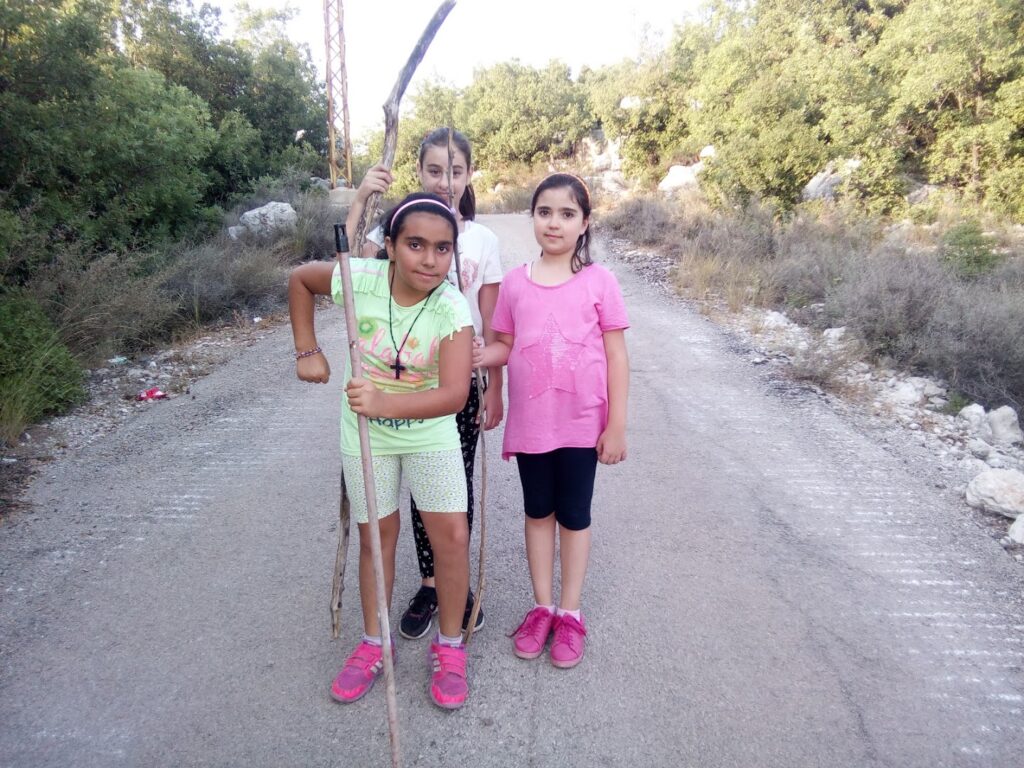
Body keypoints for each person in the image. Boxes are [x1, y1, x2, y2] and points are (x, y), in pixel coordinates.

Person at [289, 192, 474, 709]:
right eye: (415, 244)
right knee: (378, 537)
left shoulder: (452, 307)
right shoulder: (360, 279)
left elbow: (454, 395)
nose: (429, 259)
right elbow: (302, 279)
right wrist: (308, 350)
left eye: (442, 248)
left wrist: (383, 398)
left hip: (429, 432)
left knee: (452, 537)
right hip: (367, 435)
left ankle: (451, 645)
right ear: (389, 246)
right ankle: (374, 642)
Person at [346, 128, 503, 641]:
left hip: (456, 380)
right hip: (399, 377)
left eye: (456, 172)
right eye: (435, 170)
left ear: (469, 176)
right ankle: (430, 584)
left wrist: (493, 385)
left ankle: (452, 585)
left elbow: (492, 319)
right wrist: (363, 198)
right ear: (419, 173)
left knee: (448, 490)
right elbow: (350, 271)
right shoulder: (398, 224)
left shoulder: (482, 239)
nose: (446, 181)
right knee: (410, 496)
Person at [473, 173, 630, 669]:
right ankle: (541, 606)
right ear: (533, 218)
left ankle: (570, 612)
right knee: (537, 512)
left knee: (574, 516)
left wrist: (618, 424)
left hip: (583, 425)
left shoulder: (599, 282)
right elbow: (503, 344)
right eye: (544, 212)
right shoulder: (516, 283)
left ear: (584, 223)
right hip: (533, 424)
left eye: (567, 214)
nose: (554, 223)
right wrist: (481, 364)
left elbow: (617, 357)